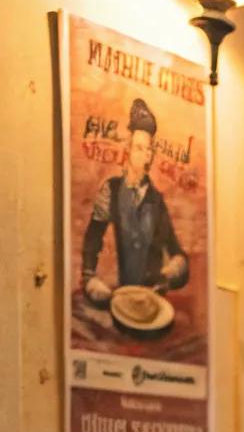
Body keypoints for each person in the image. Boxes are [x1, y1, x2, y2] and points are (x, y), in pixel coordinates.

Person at [81, 97, 188, 304]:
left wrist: (169, 274)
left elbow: (177, 254)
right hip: (119, 296)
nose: (142, 153)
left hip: (150, 298)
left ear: (150, 156)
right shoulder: (111, 190)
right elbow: (93, 237)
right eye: (137, 147)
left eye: (146, 149)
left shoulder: (156, 201)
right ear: (128, 150)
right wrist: (89, 278)